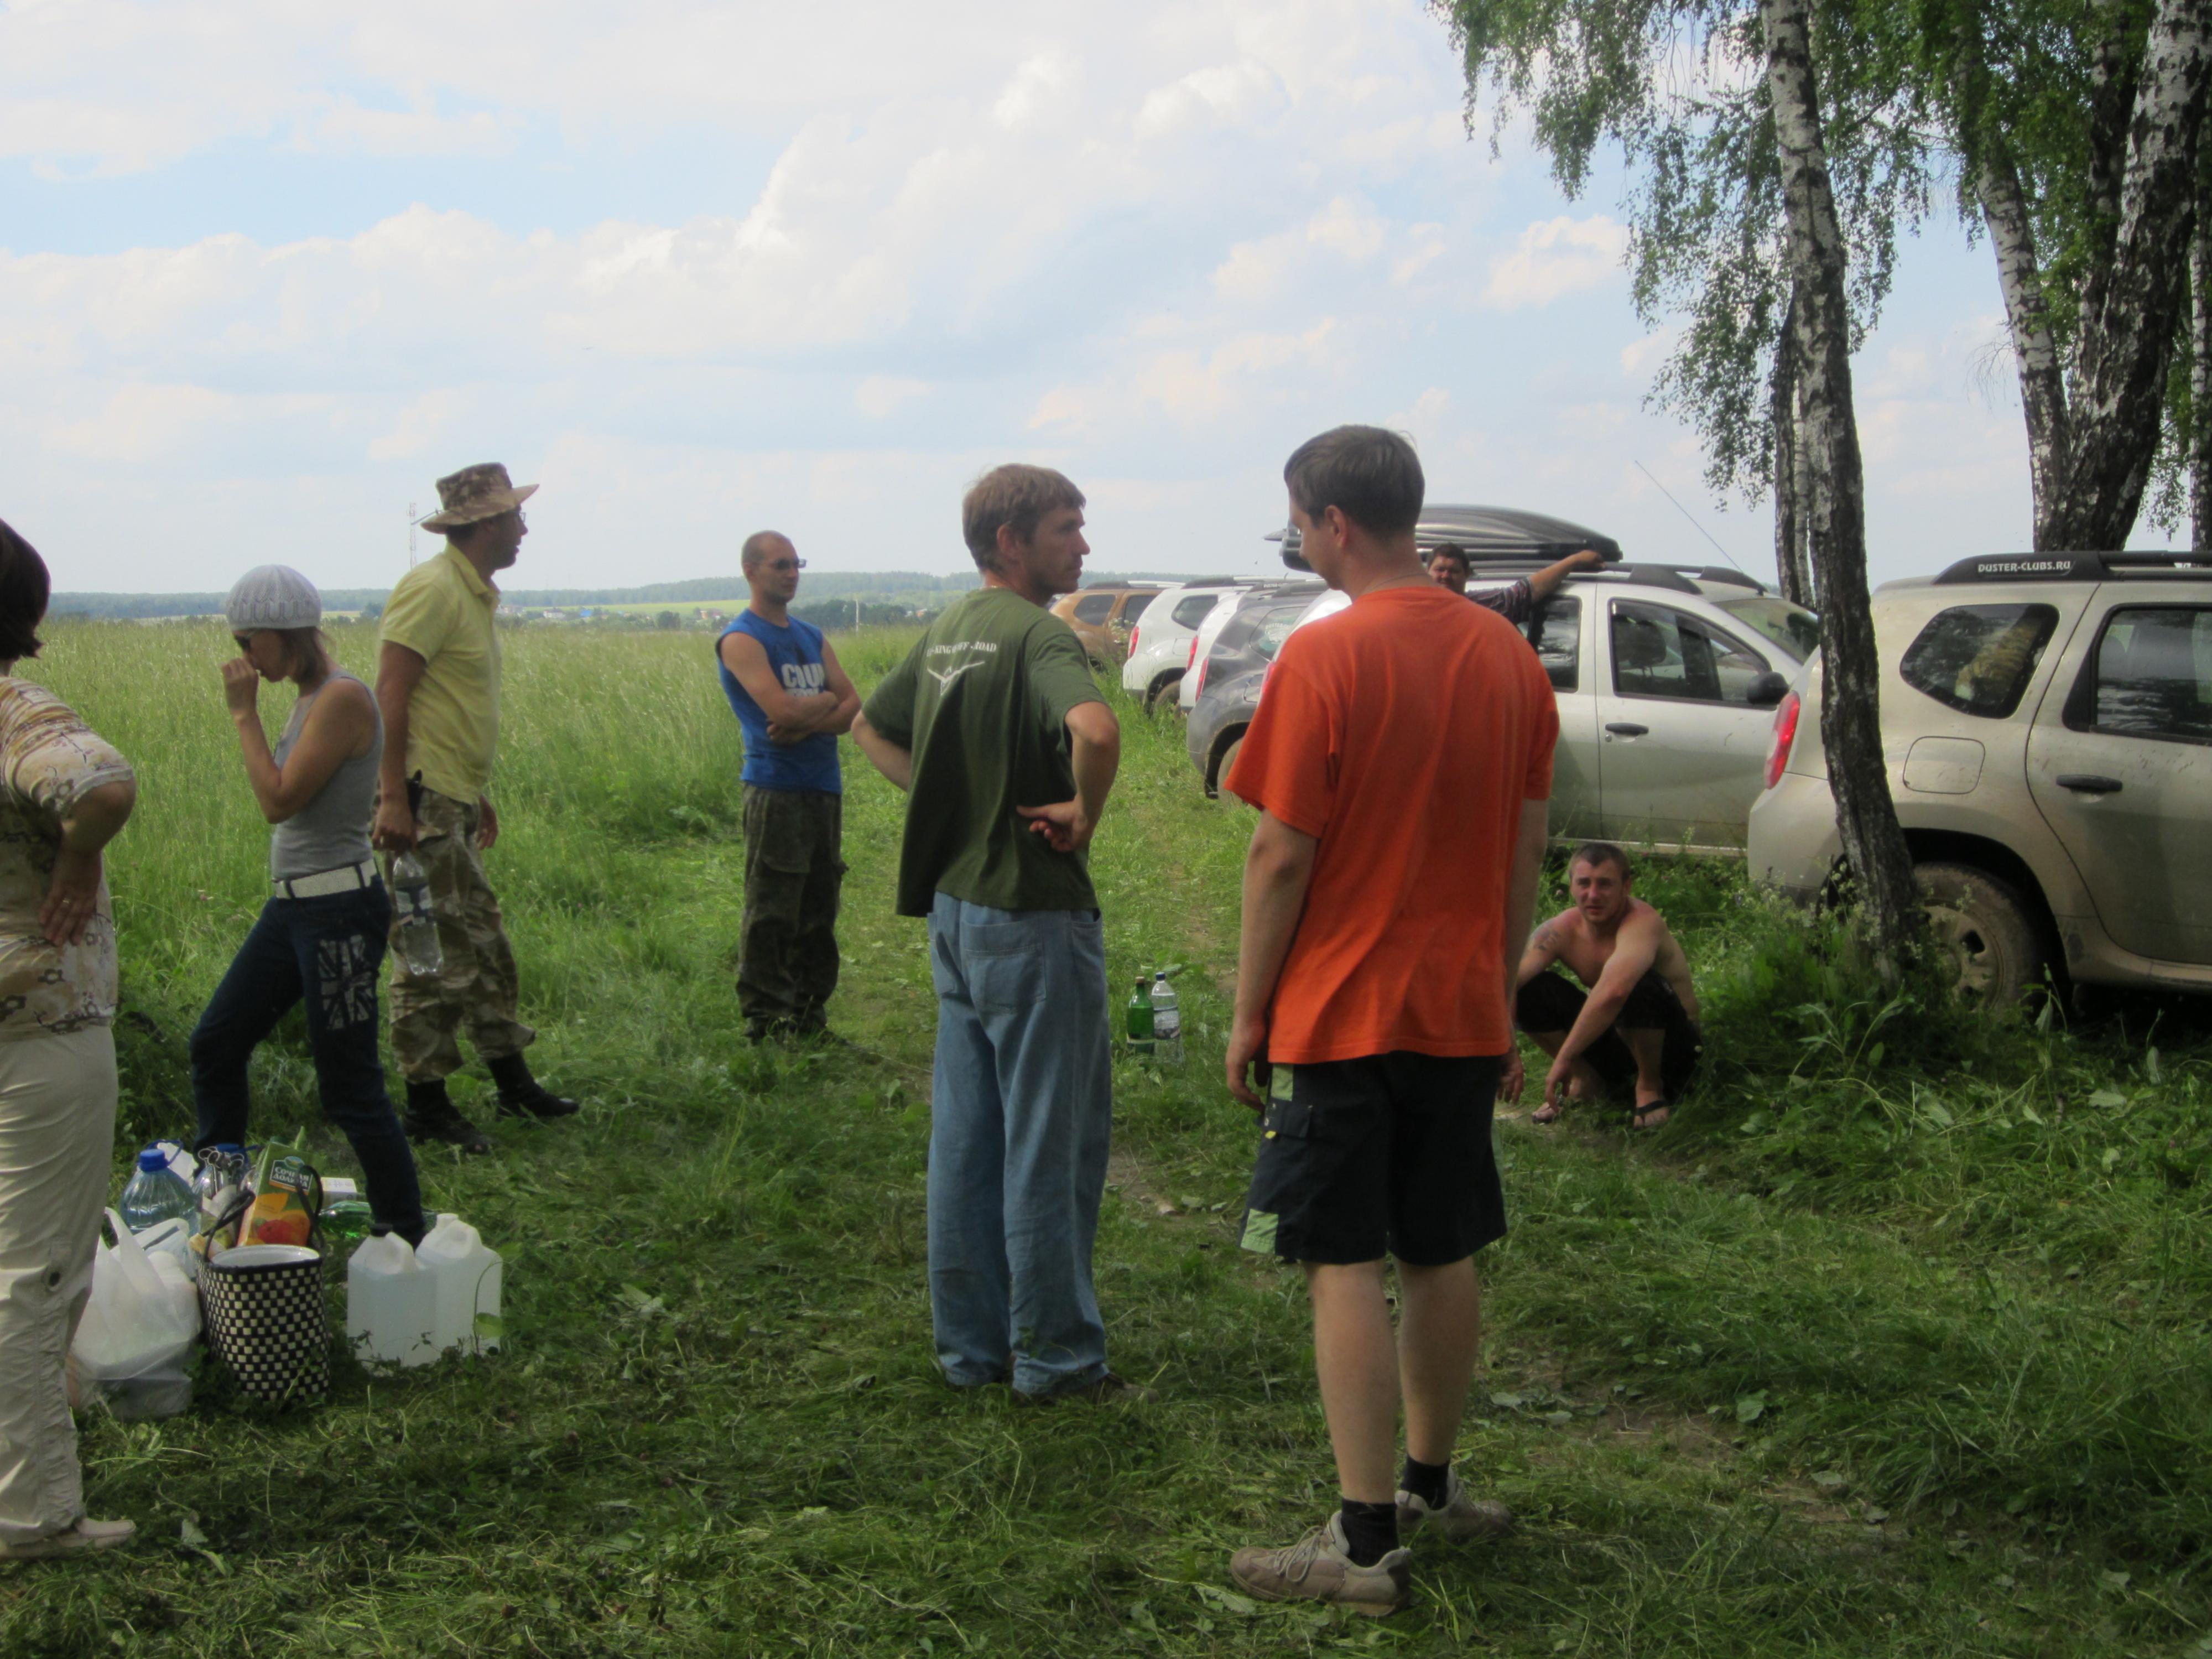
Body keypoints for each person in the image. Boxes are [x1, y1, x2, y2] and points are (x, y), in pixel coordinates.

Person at [1222, 428, 1557, 1616]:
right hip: (1458, 1004)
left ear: (1333, 522)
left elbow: (1279, 853)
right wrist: (1497, 992)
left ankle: (1360, 1544)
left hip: (1340, 1008)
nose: (1299, 539)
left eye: (1297, 521)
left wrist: (1249, 1010)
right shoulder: (1508, 657)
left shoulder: (1324, 653)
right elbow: (1525, 848)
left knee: (1340, 1258)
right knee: (1439, 1244)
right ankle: (1430, 1483)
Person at [850, 464, 1133, 1403]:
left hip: (957, 911)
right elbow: (1096, 730)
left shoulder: (949, 628)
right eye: (1065, 528)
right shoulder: (1038, 632)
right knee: (1049, 1138)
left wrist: (951, 800)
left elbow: (867, 726)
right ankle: (1055, 1356)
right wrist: (1083, 812)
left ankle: (969, 1348)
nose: (1082, 545)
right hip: (1031, 913)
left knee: (967, 1136)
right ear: (1010, 541)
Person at [189, 567, 426, 1244]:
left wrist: (242, 714)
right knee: (216, 1042)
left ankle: (404, 1233)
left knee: (350, 1086)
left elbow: (278, 800)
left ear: (285, 631)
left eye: (249, 640)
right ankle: (221, 1201)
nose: (244, 656)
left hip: (337, 913)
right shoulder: (307, 698)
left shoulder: (342, 697)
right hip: (295, 909)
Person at [0, 516, 139, 1562]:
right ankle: (32, 1512)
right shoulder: (16, 711)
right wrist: (78, 854)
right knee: (33, 1274)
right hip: (37, 1020)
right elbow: (98, 784)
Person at [372, 464, 577, 1154]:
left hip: (450, 796)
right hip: (421, 803)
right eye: (516, 516)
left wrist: (473, 789)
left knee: (485, 945)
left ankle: (513, 1082)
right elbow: (389, 693)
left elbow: (443, 703)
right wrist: (393, 795)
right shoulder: (431, 588)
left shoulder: (471, 592)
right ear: (486, 523)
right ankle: (426, 1106)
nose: (524, 529)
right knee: (428, 955)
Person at [716, 532, 859, 1042]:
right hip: (774, 788)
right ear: (750, 570)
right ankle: (766, 1020)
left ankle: (808, 1017)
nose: (792, 573)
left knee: (819, 907)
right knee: (773, 908)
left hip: (822, 785)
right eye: (780, 565)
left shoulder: (810, 634)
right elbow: (781, 710)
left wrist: (806, 717)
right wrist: (824, 703)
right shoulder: (742, 639)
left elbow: (853, 708)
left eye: (796, 563)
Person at [1513, 841, 1701, 1129]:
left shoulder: (1642, 922)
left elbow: (1615, 991)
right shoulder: (1561, 929)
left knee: (1640, 984)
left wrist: (1563, 1058)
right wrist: (1503, 1045)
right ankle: (1587, 1080)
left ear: (1626, 887)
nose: (1593, 895)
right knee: (1531, 991)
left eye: (1605, 884)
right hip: (1620, 1039)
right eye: (1584, 883)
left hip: (1673, 1049)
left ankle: (1650, 1086)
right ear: (1571, 885)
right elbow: (1507, 983)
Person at [1427, 540, 1607, 623]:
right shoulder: (1413, 611)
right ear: (1427, 573)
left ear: (1467, 575)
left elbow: (1526, 591)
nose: (1446, 576)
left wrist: (1574, 561)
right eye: (1440, 570)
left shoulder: (1481, 606)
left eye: (1454, 571)